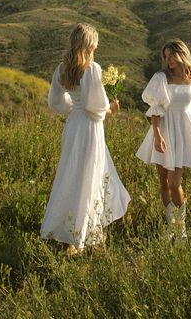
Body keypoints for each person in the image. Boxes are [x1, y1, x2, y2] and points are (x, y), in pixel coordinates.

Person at [40, 23, 130, 253]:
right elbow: (95, 107)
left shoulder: (62, 68)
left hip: (73, 127)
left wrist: (73, 108)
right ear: (88, 44)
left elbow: (55, 102)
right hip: (90, 128)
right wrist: (111, 108)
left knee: (70, 175)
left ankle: (69, 234)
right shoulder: (92, 68)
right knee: (91, 176)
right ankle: (85, 235)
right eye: (94, 44)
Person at [136, 39, 191, 240]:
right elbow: (156, 109)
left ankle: (181, 229)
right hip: (163, 131)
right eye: (165, 57)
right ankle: (170, 228)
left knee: (174, 182)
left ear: (182, 54)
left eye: (172, 56)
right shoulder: (161, 78)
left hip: (182, 133)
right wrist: (157, 135)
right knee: (163, 183)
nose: (168, 60)